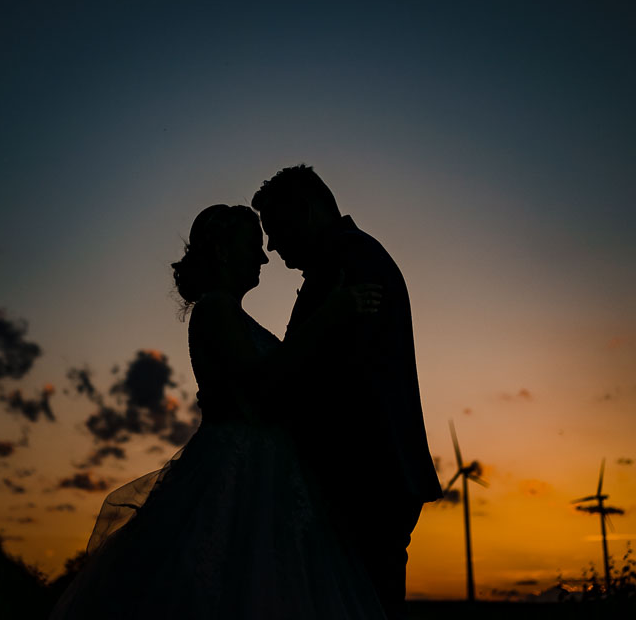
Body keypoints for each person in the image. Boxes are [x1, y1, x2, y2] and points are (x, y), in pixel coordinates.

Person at [49, 204, 388, 620]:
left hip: (266, 468)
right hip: (238, 468)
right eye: (252, 246)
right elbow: (261, 387)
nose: (263, 257)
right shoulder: (215, 309)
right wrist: (330, 315)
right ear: (225, 252)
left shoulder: (233, 313)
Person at [252, 165, 441, 620]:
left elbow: (332, 375)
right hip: (369, 474)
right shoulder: (350, 258)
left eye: (277, 228)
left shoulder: (349, 262)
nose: (272, 245)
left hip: (362, 476)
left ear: (308, 210)